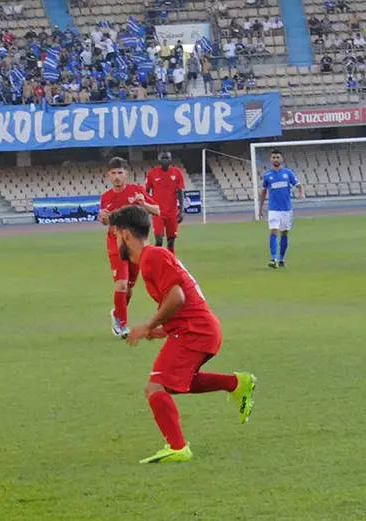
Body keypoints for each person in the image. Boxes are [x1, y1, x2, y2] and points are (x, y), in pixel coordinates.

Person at [109, 205, 256, 463]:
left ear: (126, 235)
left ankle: (178, 448)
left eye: (115, 235)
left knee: (155, 386)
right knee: (177, 383)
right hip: (198, 330)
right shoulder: (152, 258)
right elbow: (181, 299)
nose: (115, 241)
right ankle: (236, 383)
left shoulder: (153, 257)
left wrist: (148, 325)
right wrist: (163, 328)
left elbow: (177, 296)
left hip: (195, 332)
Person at [99, 157, 161, 339]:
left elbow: (157, 210)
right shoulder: (106, 197)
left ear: (126, 174)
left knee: (130, 287)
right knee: (122, 284)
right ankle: (122, 326)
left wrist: (144, 204)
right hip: (116, 243)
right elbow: (106, 221)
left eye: (120, 172)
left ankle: (117, 313)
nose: (117, 177)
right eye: (113, 173)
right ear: (108, 175)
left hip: (134, 245)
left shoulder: (137, 191)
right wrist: (103, 218)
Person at [257, 149, 305, 268]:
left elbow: (299, 185)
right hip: (273, 209)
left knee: (284, 233)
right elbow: (263, 192)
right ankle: (273, 259)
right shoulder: (267, 176)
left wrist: (301, 193)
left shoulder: (288, 173)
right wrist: (260, 208)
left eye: (278, 157)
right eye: (273, 157)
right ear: (270, 159)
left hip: (286, 209)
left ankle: (282, 259)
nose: (276, 159)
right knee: (273, 230)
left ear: (281, 159)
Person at [144, 151, 186, 253]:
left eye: (167, 158)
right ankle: (158, 262)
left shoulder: (177, 172)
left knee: (171, 242)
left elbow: (180, 192)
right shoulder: (152, 173)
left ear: (170, 159)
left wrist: (181, 211)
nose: (165, 160)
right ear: (159, 159)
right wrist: (147, 207)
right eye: (163, 158)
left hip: (172, 212)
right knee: (158, 240)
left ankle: (171, 263)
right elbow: (146, 192)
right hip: (157, 212)